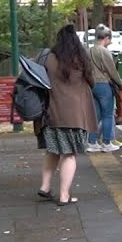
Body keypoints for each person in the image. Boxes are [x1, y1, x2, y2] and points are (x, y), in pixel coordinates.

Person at [37, 24, 99, 207]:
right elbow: (92, 82)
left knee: (52, 150)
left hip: (51, 113)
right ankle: (64, 195)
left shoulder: (47, 58)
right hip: (75, 115)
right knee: (69, 154)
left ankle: (45, 186)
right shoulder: (80, 59)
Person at [86, 25, 122, 153]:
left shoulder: (89, 50)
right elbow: (111, 70)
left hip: (92, 85)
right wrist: (120, 83)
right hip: (104, 85)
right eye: (110, 39)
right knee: (107, 114)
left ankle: (92, 142)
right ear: (106, 38)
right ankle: (107, 142)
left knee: (96, 115)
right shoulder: (104, 51)